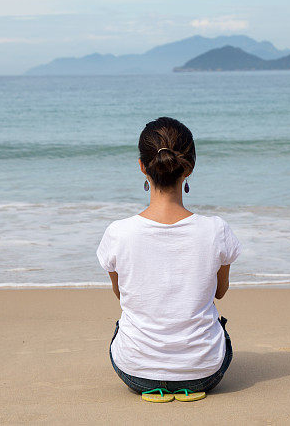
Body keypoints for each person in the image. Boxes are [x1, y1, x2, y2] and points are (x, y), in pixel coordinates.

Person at [96, 116, 242, 402]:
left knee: (123, 324)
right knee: (218, 326)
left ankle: (154, 370)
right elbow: (220, 292)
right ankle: (187, 371)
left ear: (142, 166)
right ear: (189, 167)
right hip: (204, 372)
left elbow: (121, 294)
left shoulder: (118, 232)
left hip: (136, 372)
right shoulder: (216, 230)